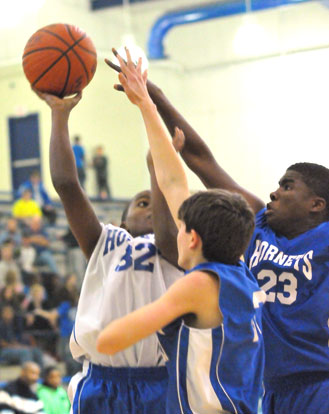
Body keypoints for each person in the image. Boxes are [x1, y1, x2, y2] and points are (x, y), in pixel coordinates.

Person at [106, 50, 329, 414]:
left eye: (287, 187)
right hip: (271, 390)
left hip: (319, 384)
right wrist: (154, 97)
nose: (274, 192)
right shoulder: (255, 226)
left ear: (317, 204)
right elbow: (197, 160)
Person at [96, 48, 265, 414]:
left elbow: (109, 342)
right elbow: (173, 181)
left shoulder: (199, 285)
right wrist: (144, 103)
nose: (173, 227)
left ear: (191, 238)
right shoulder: (240, 271)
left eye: (180, 225)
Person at [33, 83, 182, 414]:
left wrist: (156, 163)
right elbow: (67, 186)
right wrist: (59, 116)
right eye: (141, 202)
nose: (149, 206)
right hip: (101, 382)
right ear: (124, 221)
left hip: (160, 383)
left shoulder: (177, 247)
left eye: (154, 201)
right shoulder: (108, 242)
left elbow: (167, 225)